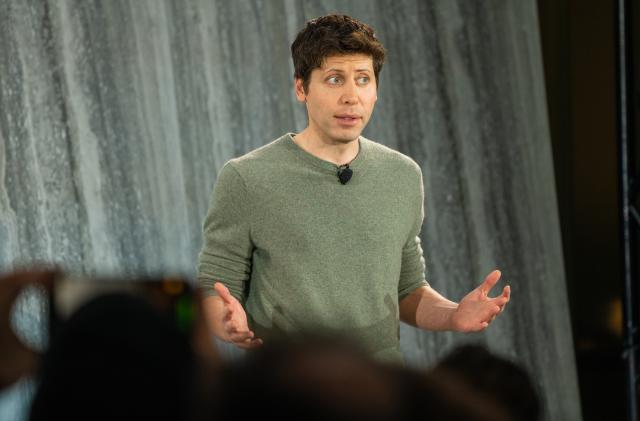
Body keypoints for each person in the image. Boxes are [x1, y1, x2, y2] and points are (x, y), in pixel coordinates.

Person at [197, 14, 510, 363]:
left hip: (380, 389)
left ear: (375, 90)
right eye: (334, 79)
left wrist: (453, 315)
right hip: (288, 389)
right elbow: (215, 285)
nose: (351, 96)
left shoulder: (402, 174)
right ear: (301, 88)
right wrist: (225, 322)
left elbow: (407, 289)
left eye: (363, 80)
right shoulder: (247, 178)